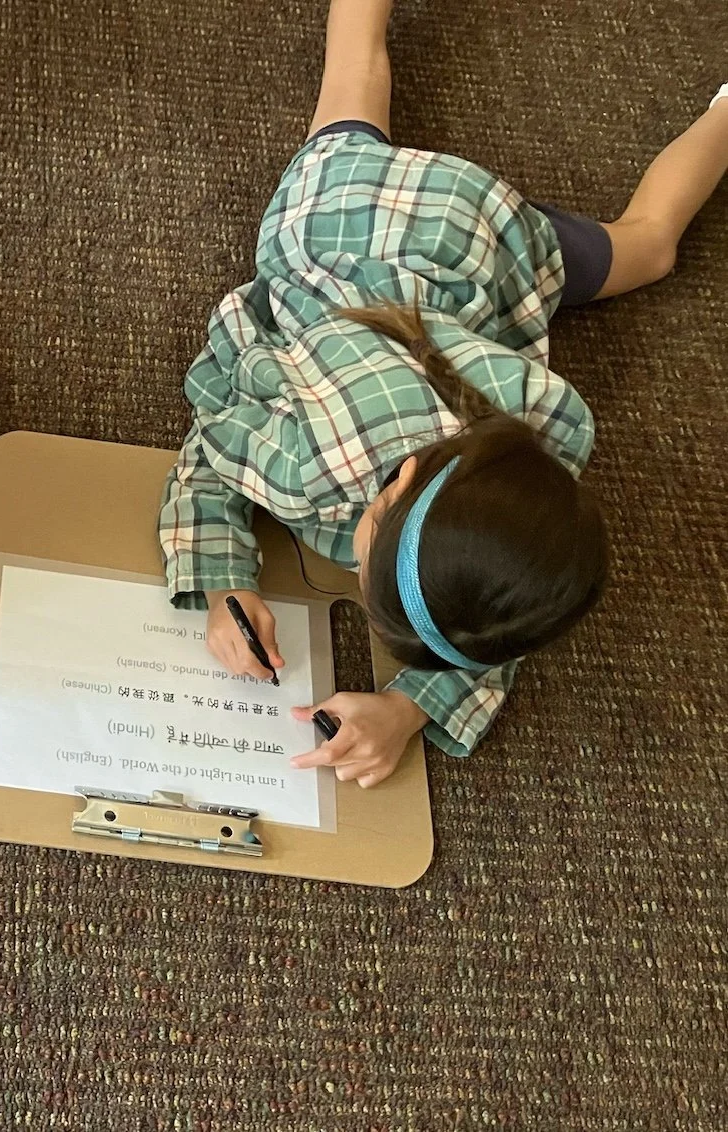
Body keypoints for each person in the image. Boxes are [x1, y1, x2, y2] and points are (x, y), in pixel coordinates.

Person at [160, 0, 728, 786]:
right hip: (338, 217)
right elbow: (210, 441)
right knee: (649, 241)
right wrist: (224, 577)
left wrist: (406, 704)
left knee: (362, 65)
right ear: (390, 490)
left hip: (483, 235)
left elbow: (499, 608)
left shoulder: (542, 447)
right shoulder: (317, 454)